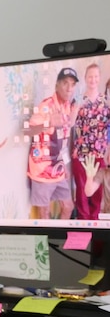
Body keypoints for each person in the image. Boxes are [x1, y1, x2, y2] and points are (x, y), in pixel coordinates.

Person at [26, 67, 78, 219]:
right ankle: (47, 243)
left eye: (73, 84)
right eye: (65, 83)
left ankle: (60, 241)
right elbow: (27, 131)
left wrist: (64, 165)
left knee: (68, 207)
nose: (69, 88)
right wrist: (48, 123)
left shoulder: (67, 106)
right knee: (45, 214)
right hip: (42, 169)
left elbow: (62, 139)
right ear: (56, 86)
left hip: (58, 169)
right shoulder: (46, 106)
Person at [71, 63, 110, 220]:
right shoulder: (79, 99)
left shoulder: (105, 101)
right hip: (81, 152)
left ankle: (94, 221)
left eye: (95, 76)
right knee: (81, 188)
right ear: (85, 78)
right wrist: (76, 109)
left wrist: (107, 150)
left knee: (96, 190)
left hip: (99, 152)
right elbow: (72, 123)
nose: (93, 79)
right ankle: (83, 221)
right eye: (90, 76)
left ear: (99, 78)